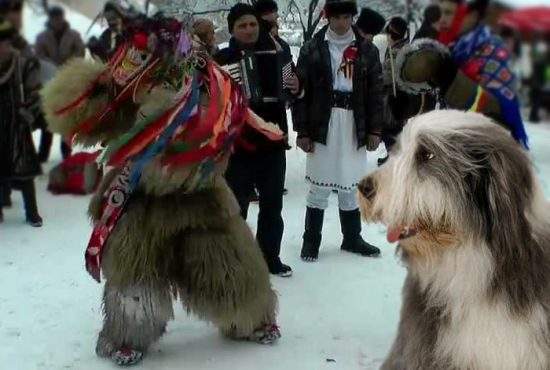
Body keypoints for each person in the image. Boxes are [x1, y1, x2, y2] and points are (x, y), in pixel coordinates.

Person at [293, 0, 383, 262]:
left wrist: (375, 128)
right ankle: (311, 241)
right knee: (320, 186)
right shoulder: (312, 48)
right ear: (327, 17)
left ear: (352, 17)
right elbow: (300, 94)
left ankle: (352, 238)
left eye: (346, 17)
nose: (342, 23)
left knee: (350, 183)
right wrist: (302, 131)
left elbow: (376, 92)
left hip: (354, 122)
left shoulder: (367, 49)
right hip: (322, 121)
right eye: (337, 17)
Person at [215, 3, 300, 277]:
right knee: (235, 207)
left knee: (272, 204)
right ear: (232, 29)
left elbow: (294, 88)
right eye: (242, 25)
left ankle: (269, 257)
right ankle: (235, 260)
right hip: (238, 145)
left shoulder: (279, 51)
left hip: (273, 142)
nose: (249, 29)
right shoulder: (221, 58)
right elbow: (212, 102)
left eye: (252, 24)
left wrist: (298, 87)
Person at [0, 18, 43, 226]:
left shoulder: (22, 64)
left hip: (18, 122)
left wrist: (28, 110)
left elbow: (36, 91)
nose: (2, 48)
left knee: (25, 170)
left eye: (5, 43)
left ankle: (32, 212)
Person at [35, 5, 85, 161]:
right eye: (54, 18)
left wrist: (67, 64)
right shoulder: (42, 37)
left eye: (59, 17)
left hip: (68, 82)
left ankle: (66, 153)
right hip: (49, 83)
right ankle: (43, 154)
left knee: (67, 120)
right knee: (47, 119)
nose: (57, 21)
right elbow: (39, 57)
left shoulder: (74, 35)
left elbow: (80, 53)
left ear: (63, 18)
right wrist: (52, 66)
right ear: (50, 19)